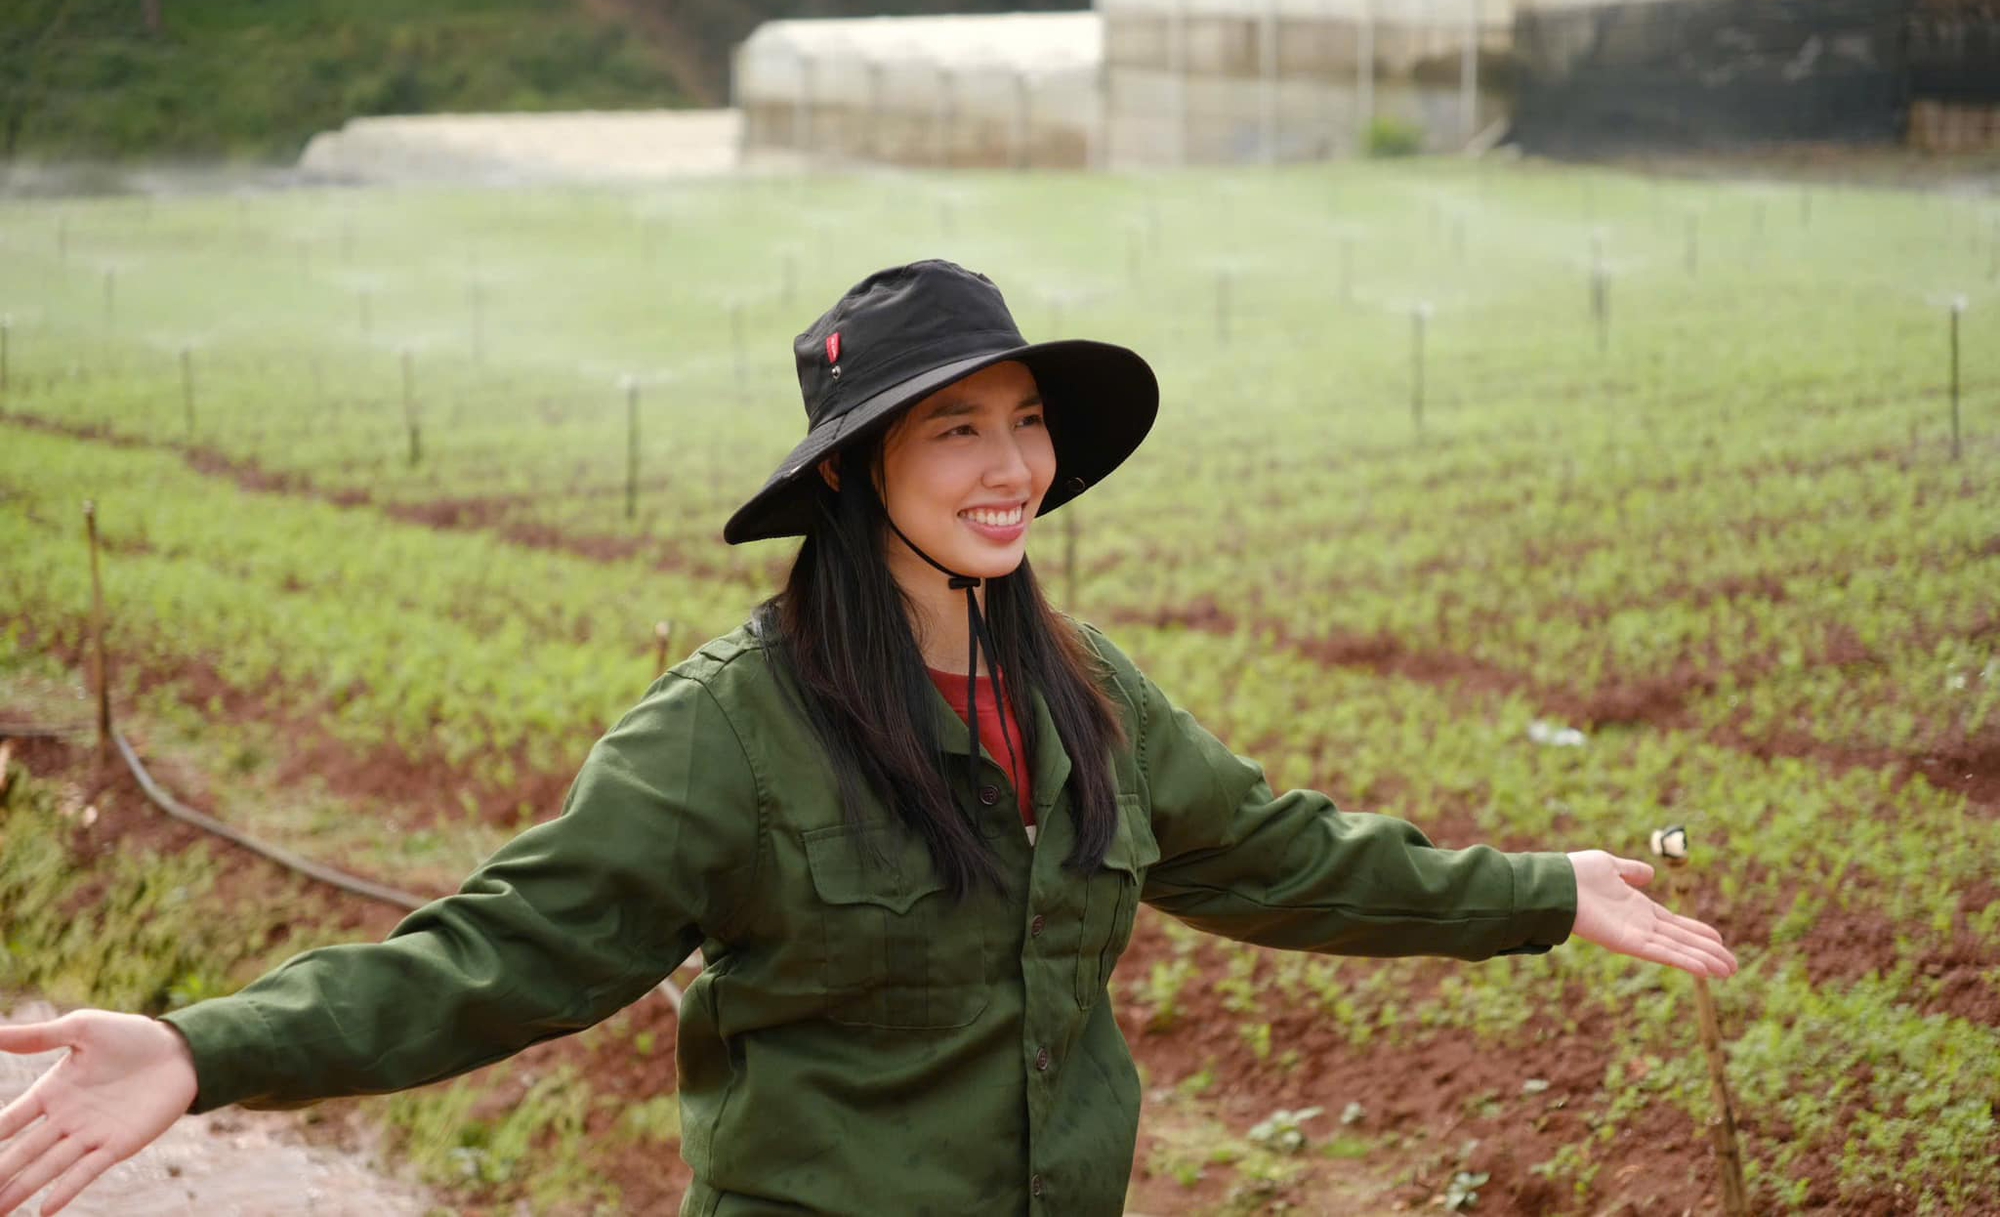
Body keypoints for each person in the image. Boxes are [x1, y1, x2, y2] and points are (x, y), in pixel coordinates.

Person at [0, 260, 1735, 1217]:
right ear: (850, 471)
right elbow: (503, 951)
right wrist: (201, 1048)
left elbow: (1280, 852)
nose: (1011, 470)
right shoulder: (731, 734)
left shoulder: (1088, 694)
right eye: (956, 431)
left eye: (1029, 424)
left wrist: (1544, 885)